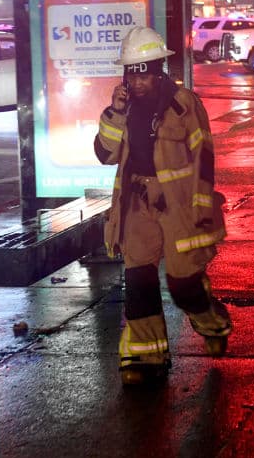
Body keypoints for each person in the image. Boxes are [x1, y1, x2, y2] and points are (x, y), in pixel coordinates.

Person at [94, 25, 232, 386]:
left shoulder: (184, 104)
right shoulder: (123, 108)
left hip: (179, 208)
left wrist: (202, 208)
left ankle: (212, 322)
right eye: (131, 75)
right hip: (137, 203)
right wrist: (115, 111)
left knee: (183, 283)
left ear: (159, 70)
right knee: (138, 279)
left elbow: (205, 156)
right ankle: (144, 357)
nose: (137, 84)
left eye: (144, 75)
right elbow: (104, 154)